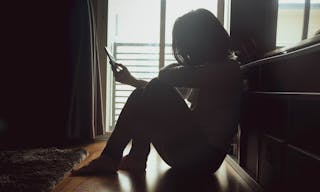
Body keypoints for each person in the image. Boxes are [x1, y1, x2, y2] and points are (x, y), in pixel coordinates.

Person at [75, 8, 241, 175]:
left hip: (203, 158)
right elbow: (159, 93)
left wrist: (182, 68)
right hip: (192, 153)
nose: (186, 53)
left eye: (187, 46)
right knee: (142, 93)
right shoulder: (206, 69)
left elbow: (163, 78)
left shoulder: (226, 69)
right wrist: (131, 80)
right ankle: (134, 158)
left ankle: (119, 157)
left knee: (154, 87)